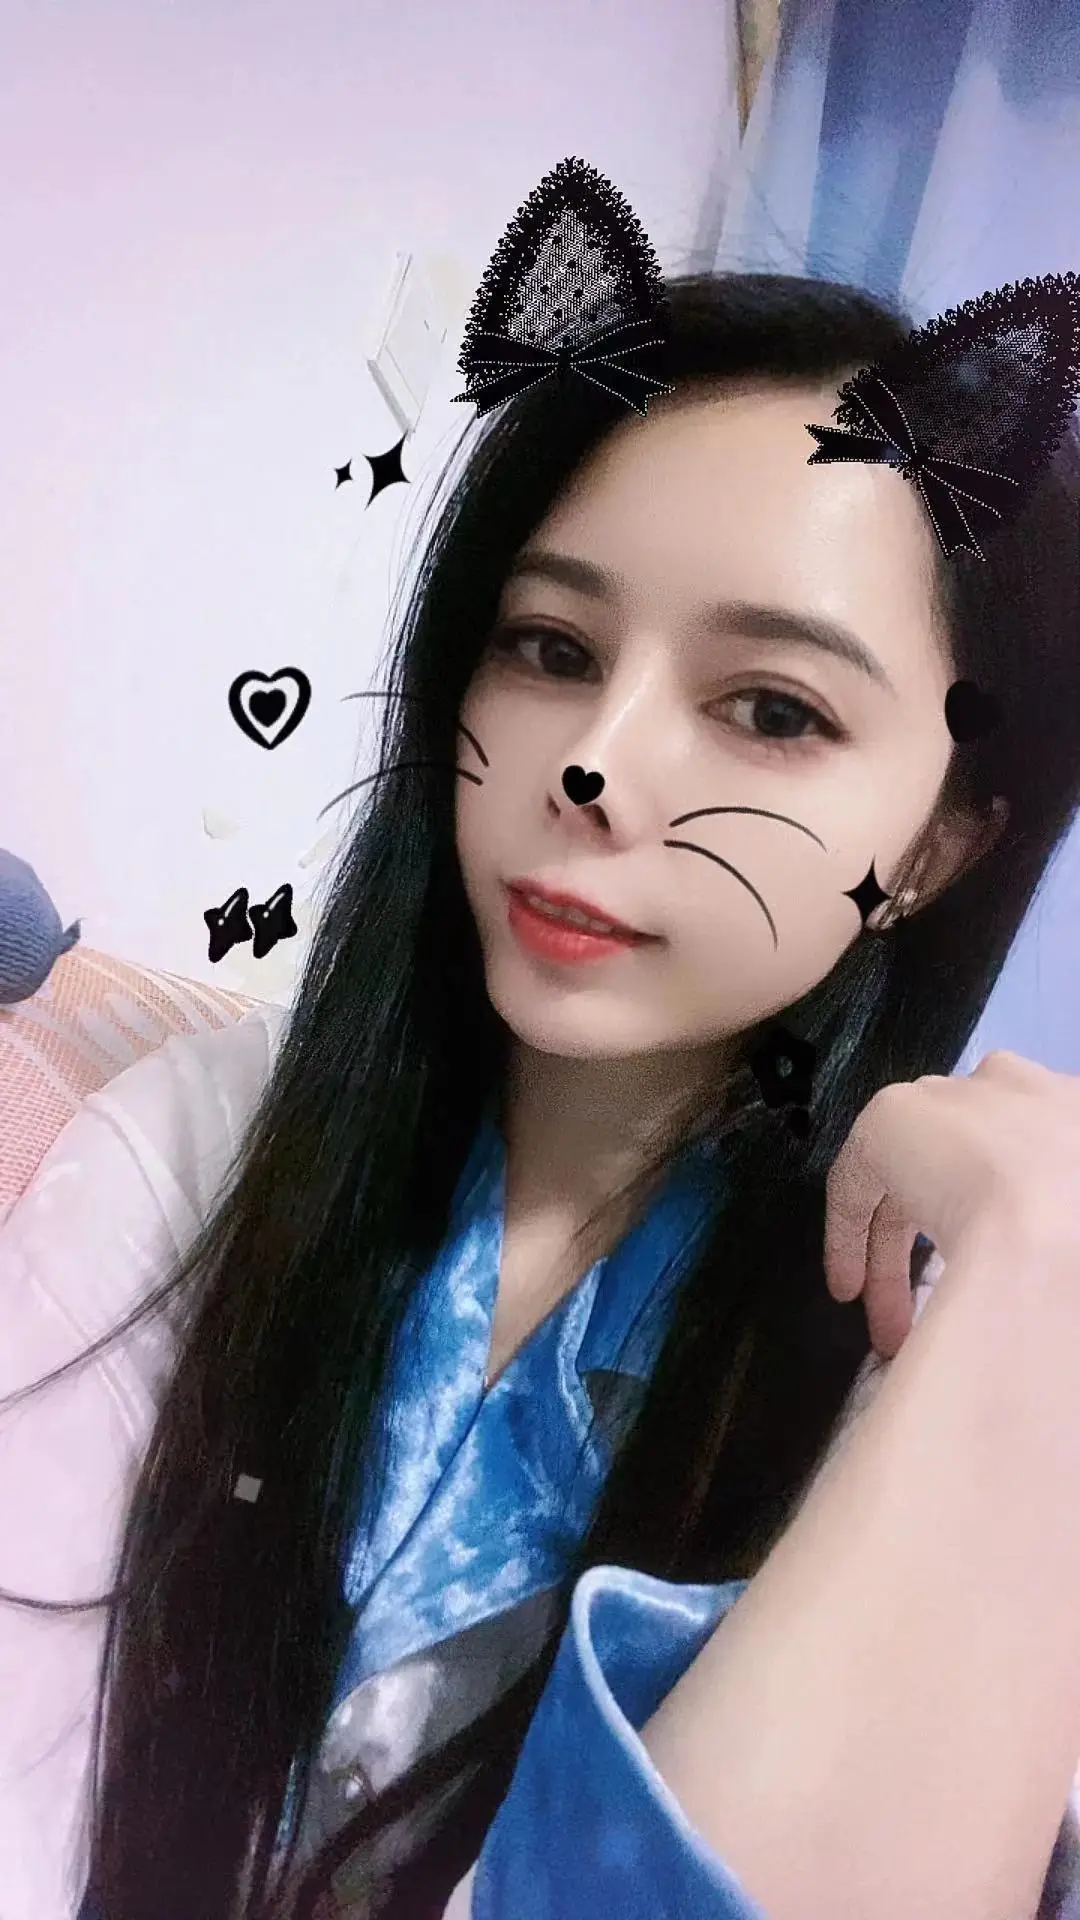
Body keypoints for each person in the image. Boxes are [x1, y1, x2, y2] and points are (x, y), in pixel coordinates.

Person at [2, 266, 1080, 1920]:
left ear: (939, 844)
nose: (594, 765)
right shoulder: (206, 1146)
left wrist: (1039, 1298)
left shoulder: (920, 1368)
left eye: (771, 707)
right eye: (551, 647)